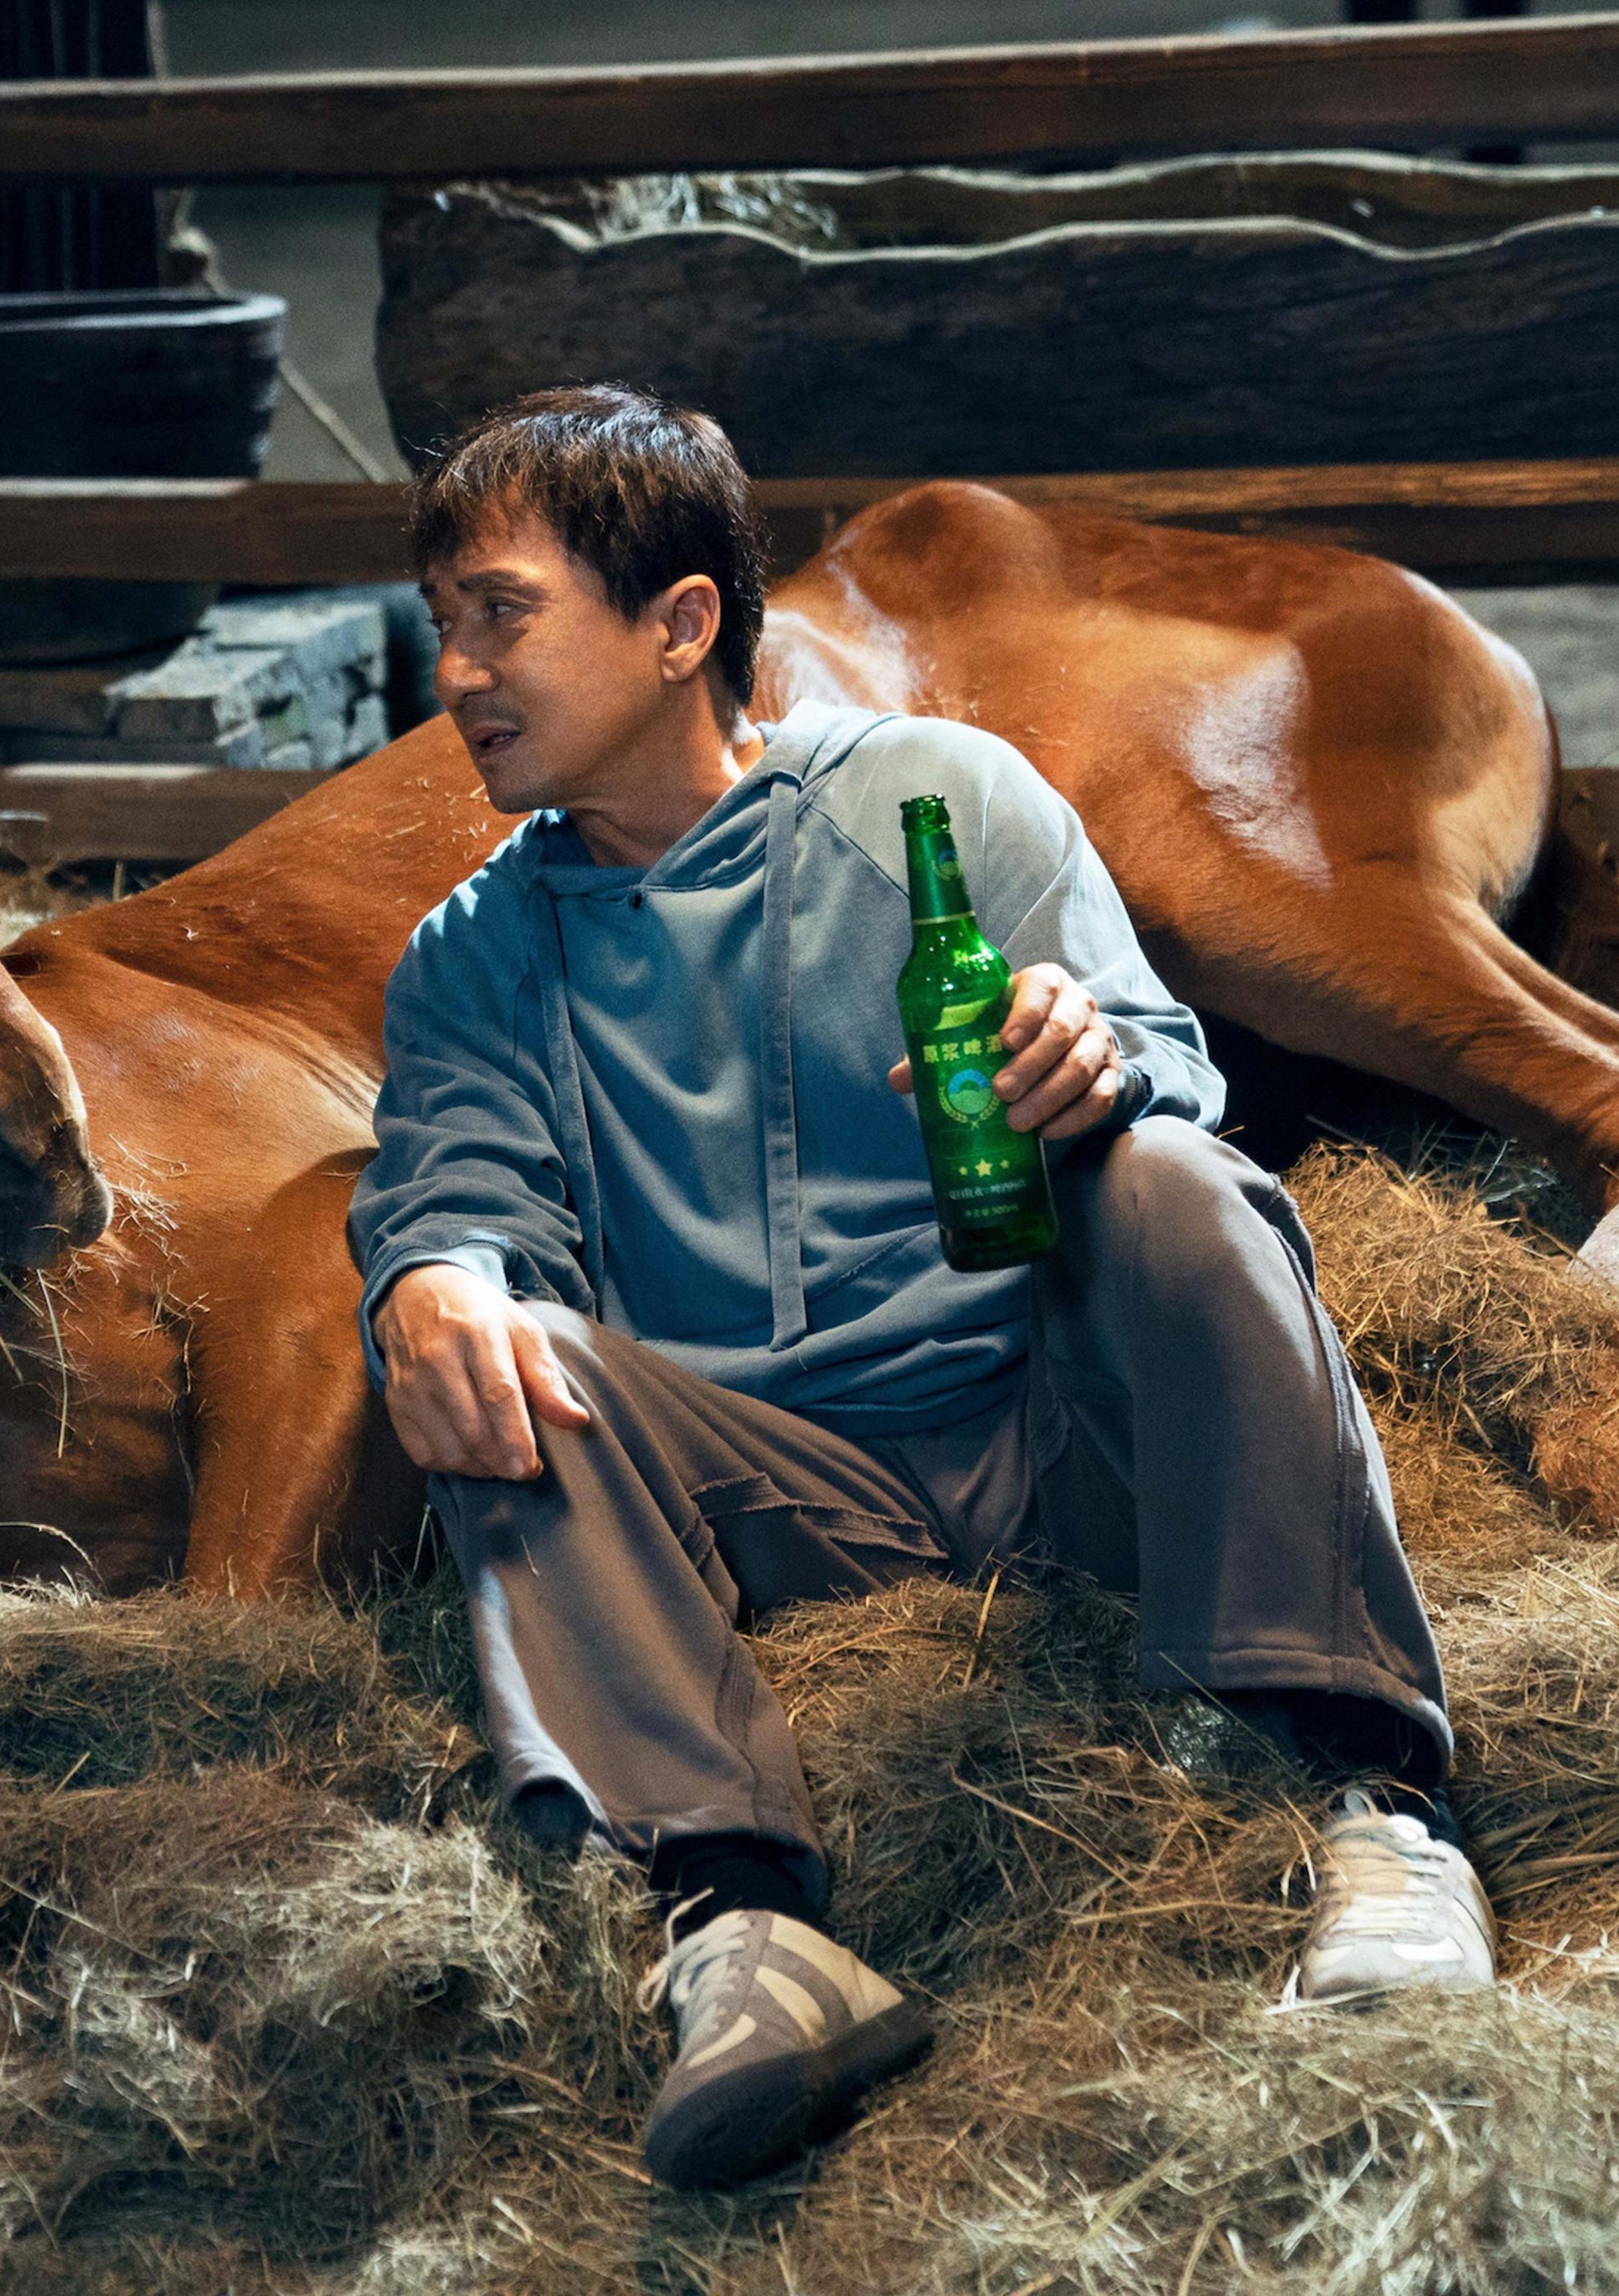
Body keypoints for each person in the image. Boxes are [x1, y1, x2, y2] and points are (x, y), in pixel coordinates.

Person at [347, 386, 1495, 2192]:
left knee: (1181, 1182)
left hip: (1061, 1437)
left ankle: (1376, 1806)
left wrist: (1093, 1061)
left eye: (500, 614)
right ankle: (741, 1919)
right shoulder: (471, 958)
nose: (457, 673)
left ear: (679, 624)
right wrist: (433, 1276)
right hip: (767, 1502)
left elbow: (1162, 1055)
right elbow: (457, 1190)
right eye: (443, 626)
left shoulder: (936, 799)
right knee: (497, 1353)